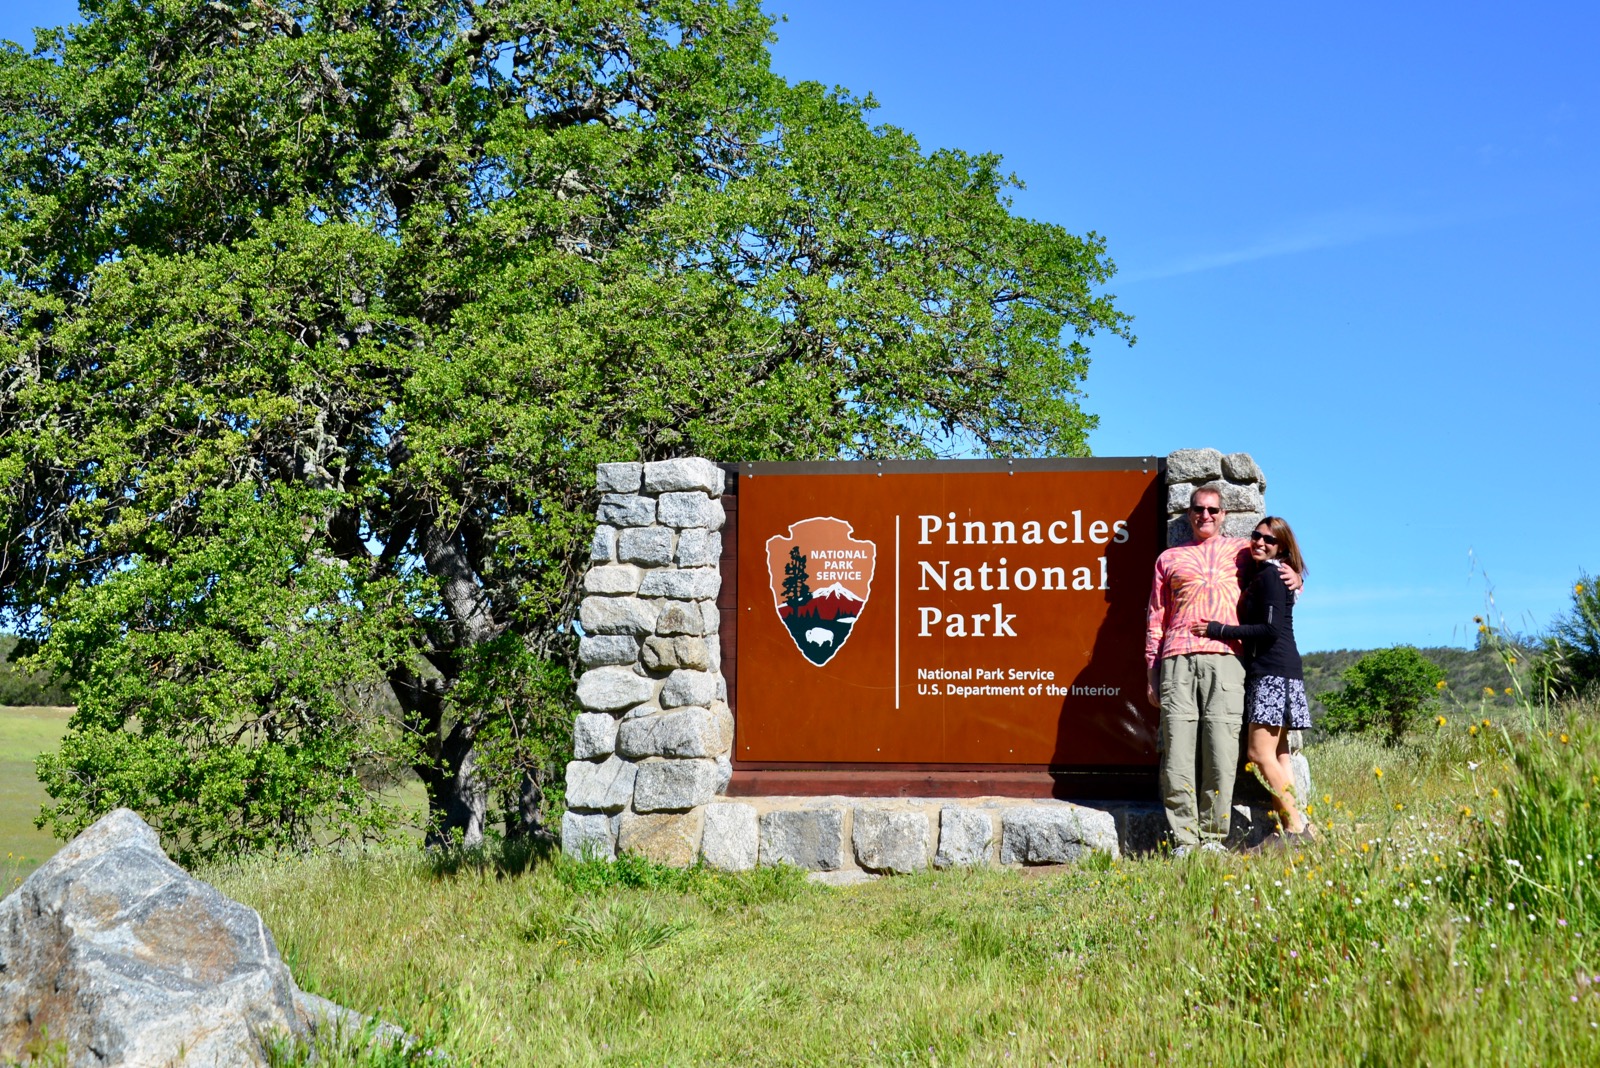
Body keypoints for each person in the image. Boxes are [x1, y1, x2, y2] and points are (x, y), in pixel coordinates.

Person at [1145, 484, 1300, 855]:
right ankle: (1184, 839)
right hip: (1177, 658)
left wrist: (1296, 577)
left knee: (1222, 750)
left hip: (1228, 659)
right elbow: (1155, 617)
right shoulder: (1168, 558)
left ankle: (1213, 838)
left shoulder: (1243, 552)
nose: (1206, 516)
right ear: (1189, 513)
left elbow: (1278, 571)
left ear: (1224, 515)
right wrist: (1152, 671)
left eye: (1213, 510)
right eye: (1199, 509)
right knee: (1178, 752)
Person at [1190, 516, 1312, 841]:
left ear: (1281, 547)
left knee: (1259, 754)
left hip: (1273, 672)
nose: (1259, 542)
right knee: (1280, 755)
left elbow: (1270, 629)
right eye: (1256, 535)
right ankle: (1295, 829)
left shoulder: (1272, 575)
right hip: (1282, 671)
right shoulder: (1273, 573)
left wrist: (1218, 629)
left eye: (1269, 540)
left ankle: (1296, 827)